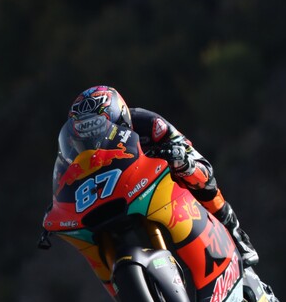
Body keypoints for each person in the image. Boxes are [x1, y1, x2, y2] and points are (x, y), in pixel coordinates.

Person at [66, 85, 259, 267]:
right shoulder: (74, 151)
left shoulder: (149, 123)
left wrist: (181, 159)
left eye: (100, 134)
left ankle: (235, 233)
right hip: (116, 193)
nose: (94, 144)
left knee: (198, 173)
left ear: (121, 120)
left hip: (157, 179)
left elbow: (190, 152)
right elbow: (66, 178)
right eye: (86, 140)